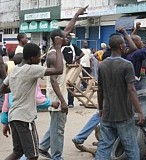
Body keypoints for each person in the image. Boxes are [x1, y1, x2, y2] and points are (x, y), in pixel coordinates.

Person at [0, 38, 64, 160]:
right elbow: (58, 70)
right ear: (31, 58)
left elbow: (2, 89)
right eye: (38, 57)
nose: (39, 59)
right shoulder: (32, 69)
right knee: (33, 155)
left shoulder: (14, 71)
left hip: (13, 116)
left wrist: (17, 88)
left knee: (17, 152)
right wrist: (58, 48)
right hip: (25, 118)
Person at [39, 6, 88, 160]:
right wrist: (62, 101)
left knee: (56, 124)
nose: (68, 38)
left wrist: (76, 15)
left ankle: (42, 147)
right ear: (57, 40)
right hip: (57, 96)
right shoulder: (53, 56)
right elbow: (53, 81)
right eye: (64, 37)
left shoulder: (58, 49)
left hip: (59, 94)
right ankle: (57, 157)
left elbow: (67, 29)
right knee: (59, 128)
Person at [95, 34, 144, 160]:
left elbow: (99, 90)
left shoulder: (102, 65)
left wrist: (101, 108)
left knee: (104, 147)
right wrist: (139, 111)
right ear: (121, 46)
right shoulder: (127, 65)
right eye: (124, 45)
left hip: (107, 114)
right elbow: (131, 90)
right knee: (132, 148)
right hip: (124, 114)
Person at [62, 33, 84, 108]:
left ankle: (70, 102)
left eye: (69, 38)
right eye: (66, 38)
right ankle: (62, 101)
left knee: (70, 85)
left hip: (71, 68)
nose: (67, 39)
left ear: (71, 39)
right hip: (62, 68)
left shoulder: (73, 47)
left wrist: (75, 60)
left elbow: (82, 54)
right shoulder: (61, 47)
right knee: (61, 85)